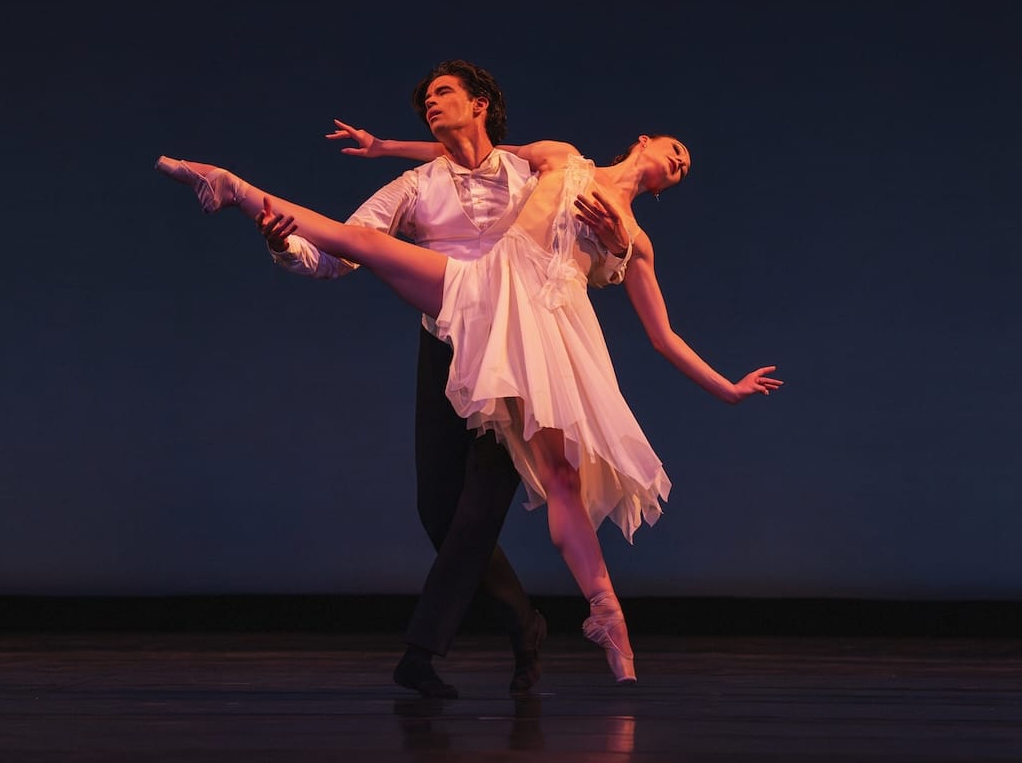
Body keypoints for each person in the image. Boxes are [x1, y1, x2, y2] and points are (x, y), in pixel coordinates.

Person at [155, 121, 782, 684]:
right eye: (677, 150)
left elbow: (662, 335)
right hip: (490, 286)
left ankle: (606, 614)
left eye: (685, 169)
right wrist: (383, 149)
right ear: (644, 140)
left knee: (561, 478)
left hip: (548, 329)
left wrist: (725, 387)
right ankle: (231, 185)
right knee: (363, 245)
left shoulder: (637, 240)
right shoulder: (561, 156)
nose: (680, 162)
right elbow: (474, 154)